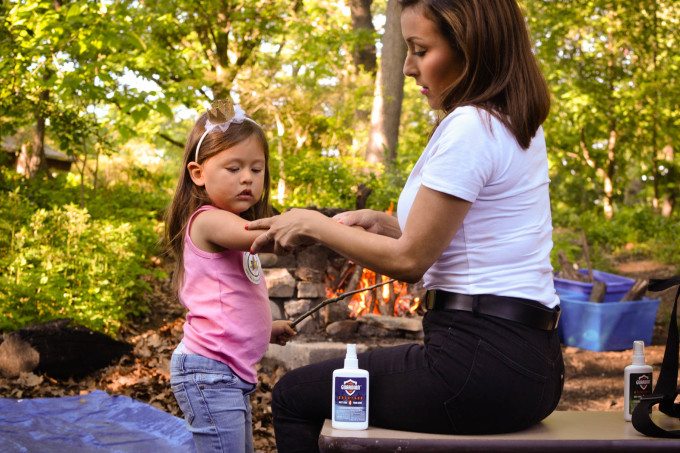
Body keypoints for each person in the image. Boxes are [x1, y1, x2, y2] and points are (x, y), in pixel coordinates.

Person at [247, 0, 564, 451]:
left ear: (469, 47)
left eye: (419, 49)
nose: (408, 68)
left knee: (295, 395)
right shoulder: (510, 120)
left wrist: (314, 224)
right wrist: (386, 225)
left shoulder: (471, 126)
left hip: (475, 363)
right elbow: (466, 242)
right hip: (532, 363)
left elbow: (412, 260)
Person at [164, 99, 296, 453]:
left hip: (224, 373)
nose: (247, 178)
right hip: (208, 373)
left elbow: (228, 304)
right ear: (198, 173)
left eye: (257, 169)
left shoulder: (231, 228)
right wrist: (320, 227)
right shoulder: (209, 220)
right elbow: (267, 238)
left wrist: (265, 329)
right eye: (234, 167)